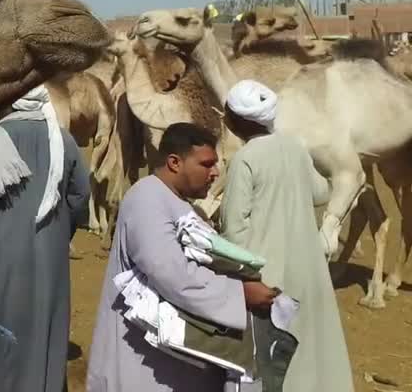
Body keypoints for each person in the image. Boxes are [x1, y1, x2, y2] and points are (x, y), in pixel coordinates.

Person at [87, 122, 280, 392]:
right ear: (175, 162)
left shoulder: (178, 204)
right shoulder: (147, 198)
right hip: (142, 358)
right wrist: (241, 294)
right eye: (206, 164)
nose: (215, 173)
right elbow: (170, 272)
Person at [0, 85, 91, 392]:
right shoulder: (63, 142)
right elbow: (80, 196)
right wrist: (56, 235)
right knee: (42, 340)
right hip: (47, 270)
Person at [221, 80, 354, 392]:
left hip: (266, 274)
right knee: (308, 350)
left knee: (268, 358)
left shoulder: (245, 158)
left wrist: (237, 279)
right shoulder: (294, 147)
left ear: (236, 120)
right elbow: (321, 192)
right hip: (306, 268)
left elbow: (234, 227)